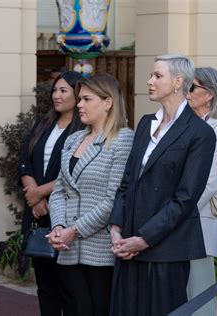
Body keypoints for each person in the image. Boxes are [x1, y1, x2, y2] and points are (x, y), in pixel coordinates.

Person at [109, 54, 216, 316]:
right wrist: (115, 229)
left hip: (166, 250)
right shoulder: (146, 124)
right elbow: (127, 182)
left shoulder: (200, 133)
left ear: (178, 81)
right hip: (128, 246)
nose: (149, 81)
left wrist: (144, 239)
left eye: (157, 76)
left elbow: (186, 198)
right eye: (151, 75)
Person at [48, 74, 134, 316]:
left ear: (108, 103)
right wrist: (58, 226)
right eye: (80, 99)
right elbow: (59, 192)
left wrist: (72, 231)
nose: (79, 105)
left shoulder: (123, 139)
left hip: (100, 251)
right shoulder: (74, 139)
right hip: (67, 250)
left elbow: (113, 199)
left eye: (86, 99)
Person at [19, 71, 83, 316]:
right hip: (37, 215)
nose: (57, 95)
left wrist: (39, 193)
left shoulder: (83, 129)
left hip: (65, 214)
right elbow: (24, 161)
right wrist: (33, 195)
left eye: (63, 90)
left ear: (77, 94)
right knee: (45, 285)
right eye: (55, 90)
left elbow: (75, 172)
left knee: (68, 285)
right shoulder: (43, 123)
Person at [185, 67, 217, 315]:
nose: (186, 92)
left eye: (192, 87)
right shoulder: (182, 125)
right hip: (174, 219)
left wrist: (179, 212)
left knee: (200, 290)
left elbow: (211, 183)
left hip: (197, 220)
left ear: (210, 94)